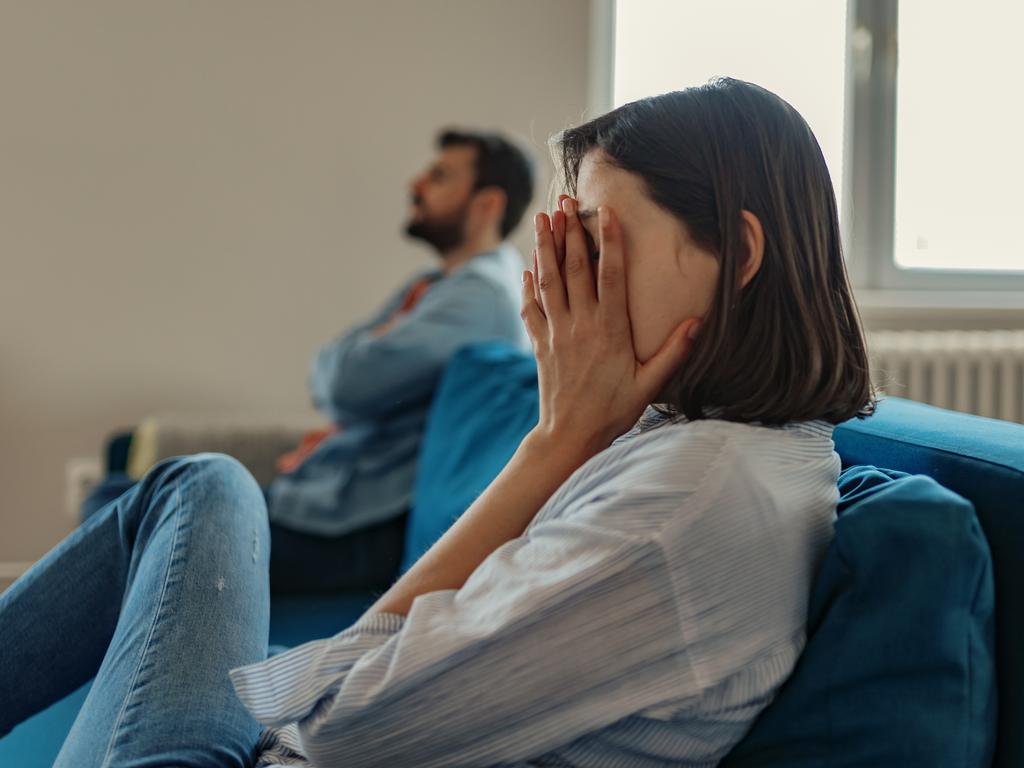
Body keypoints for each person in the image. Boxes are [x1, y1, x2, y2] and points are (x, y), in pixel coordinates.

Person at [0, 78, 874, 766]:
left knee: (201, 489)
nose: (568, 280)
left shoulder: (688, 503)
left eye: (601, 245)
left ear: (741, 255)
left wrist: (555, 444)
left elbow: (333, 726)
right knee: (194, 493)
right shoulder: (708, 448)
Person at [83, 128, 535, 594]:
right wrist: (352, 367)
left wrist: (355, 364)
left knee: (118, 506)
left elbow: (343, 383)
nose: (415, 184)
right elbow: (332, 370)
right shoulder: (435, 285)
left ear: (487, 205)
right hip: (330, 505)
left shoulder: (482, 297)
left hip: (355, 527)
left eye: (440, 176)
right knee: (120, 495)